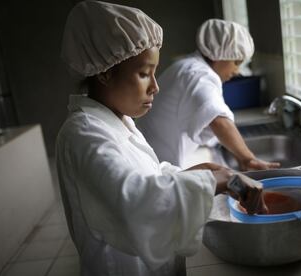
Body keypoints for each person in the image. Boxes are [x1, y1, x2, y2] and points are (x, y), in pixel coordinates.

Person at [56, 1, 265, 276]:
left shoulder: (117, 121)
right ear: (105, 72)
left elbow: (153, 174)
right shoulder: (83, 135)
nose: (155, 86)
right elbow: (137, 201)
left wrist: (209, 172)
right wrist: (222, 178)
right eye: (144, 74)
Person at [136, 19, 281, 171]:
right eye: (236, 61)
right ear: (220, 54)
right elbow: (217, 118)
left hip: (153, 159)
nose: (237, 71)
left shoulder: (187, 66)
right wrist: (248, 159)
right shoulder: (199, 74)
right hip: (158, 166)